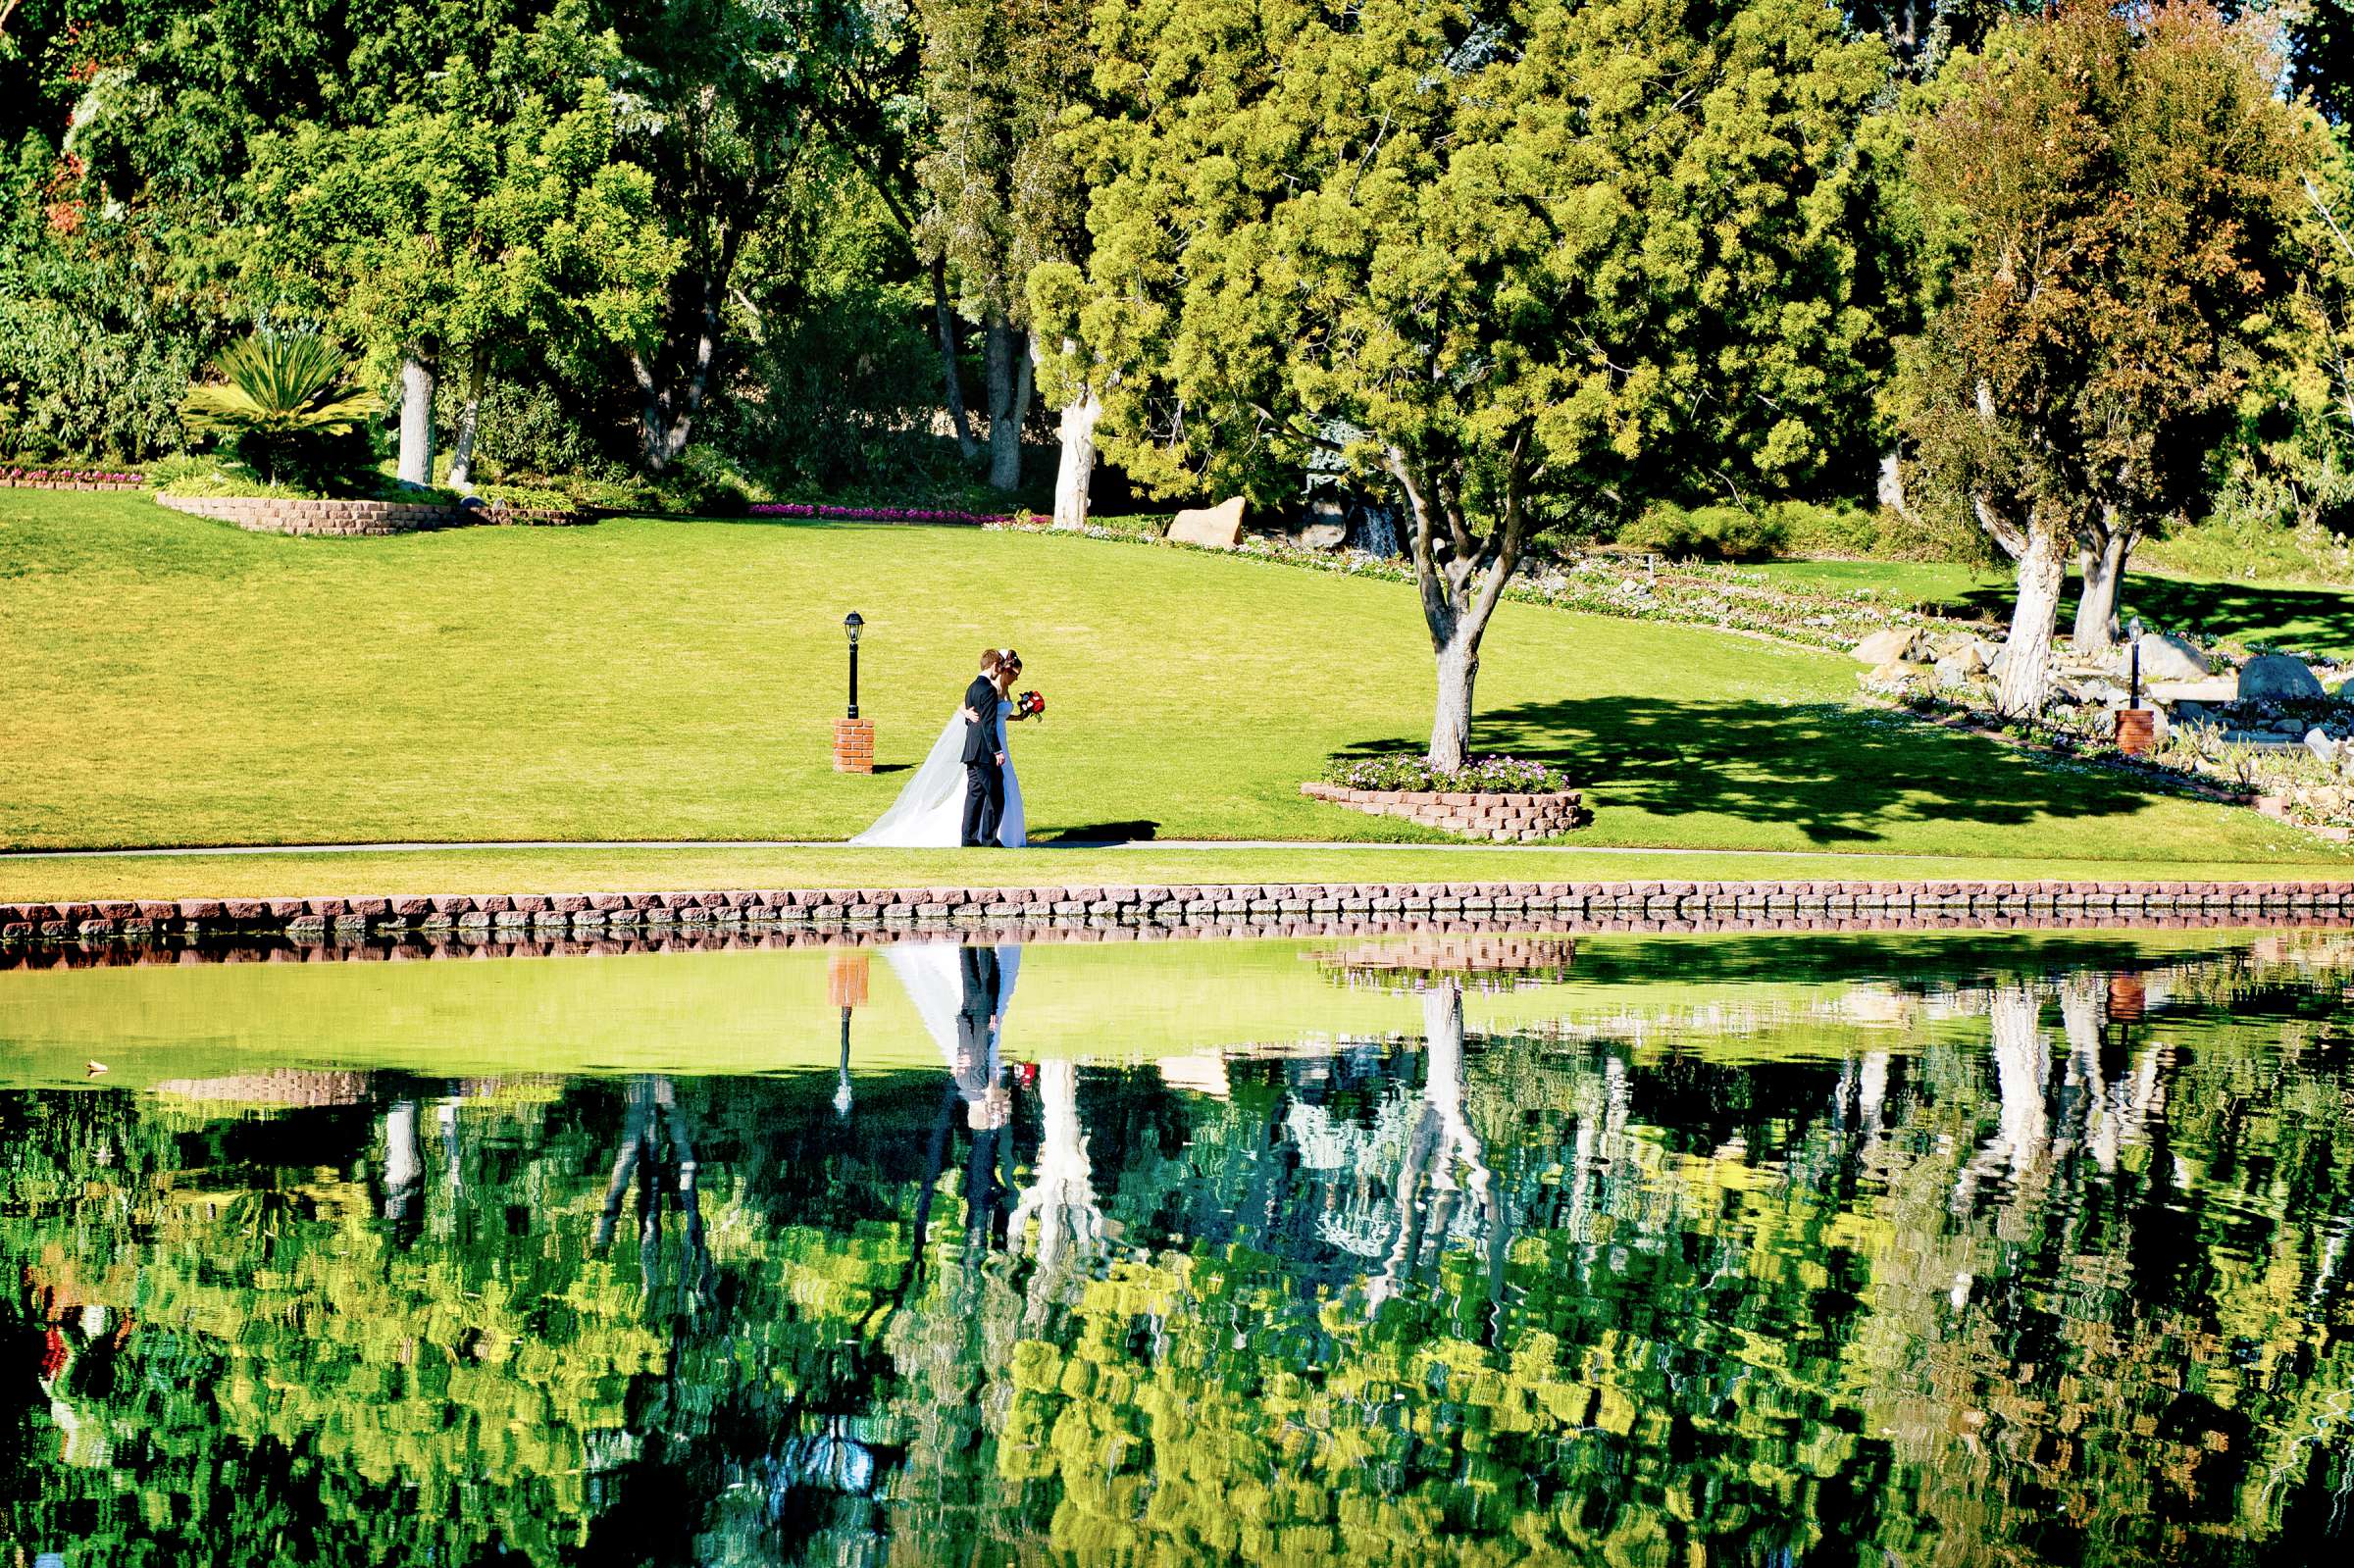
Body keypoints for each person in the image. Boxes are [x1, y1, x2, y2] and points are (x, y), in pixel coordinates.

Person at [851, 646, 1034, 848]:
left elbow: (977, 719)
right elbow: (988, 724)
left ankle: (969, 838)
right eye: (1002, 667)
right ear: (996, 666)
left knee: (975, 795)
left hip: (972, 749)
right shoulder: (989, 690)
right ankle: (989, 839)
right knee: (996, 795)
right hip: (986, 750)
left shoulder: (973, 687)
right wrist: (997, 751)